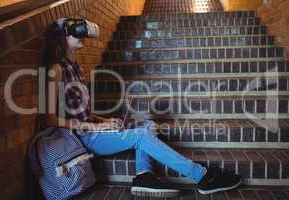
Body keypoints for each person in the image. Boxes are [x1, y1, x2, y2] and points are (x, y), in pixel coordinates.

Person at [42, 18, 241, 198]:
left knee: (148, 125)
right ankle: (203, 176)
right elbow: (50, 119)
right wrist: (97, 128)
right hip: (82, 138)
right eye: (74, 30)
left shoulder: (76, 69)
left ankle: (144, 176)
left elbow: (82, 111)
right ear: (63, 37)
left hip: (92, 131)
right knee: (140, 135)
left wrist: (104, 121)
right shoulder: (56, 70)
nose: (82, 34)